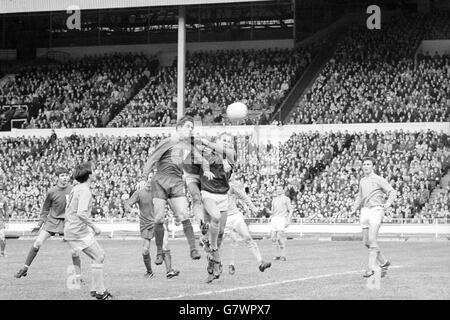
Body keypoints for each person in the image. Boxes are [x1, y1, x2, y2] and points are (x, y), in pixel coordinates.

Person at [137, 116, 212, 261]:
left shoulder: (188, 146)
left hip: (177, 182)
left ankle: (193, 249)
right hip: (160, 181)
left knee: (184, 214)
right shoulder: (167, 142)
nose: (191, 130)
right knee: (158, 218)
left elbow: (202, 160)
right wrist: (143, 177)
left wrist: (207, 169)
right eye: (188, 127)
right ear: (179, 128)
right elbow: (151, 160)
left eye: (192, 128)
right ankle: (159, 252)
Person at [15, 167, 82, 279]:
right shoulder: (51, 191)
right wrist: (39, 224)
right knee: (37, 243)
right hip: (52, 221)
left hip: (67, 223)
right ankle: (25, 268)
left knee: (75, 250)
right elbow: (45, 209)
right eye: (62, 175)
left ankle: (79, 276)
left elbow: (77, 206)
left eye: (66, 175)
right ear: (57, 177)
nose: (65, 177)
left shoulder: (73, 189)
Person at [63, 162, 113, 300]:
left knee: (98, 256)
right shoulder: (84, 190)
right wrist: (94, 226)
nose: (96, 172)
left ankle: (95, 289)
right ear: (89, 175)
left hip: (73, 229)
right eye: (94, 171)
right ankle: (101, 292)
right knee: (99, 256)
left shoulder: (76, 188)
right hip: (78, 231)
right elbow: (81, 213)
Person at [125, 174, 180, 279]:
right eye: (150, 178)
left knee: (165, 245)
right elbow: (127, 204)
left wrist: (177, 216)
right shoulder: (139, 193)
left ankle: (169, 271)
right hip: (146, 225)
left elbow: (171, 204)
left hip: (158, 224)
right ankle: (149, 272)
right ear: (147, 179)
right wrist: (131, 210)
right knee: (145, 250)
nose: (151, 180)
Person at [198, 132, 236, 283]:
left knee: (220, 234)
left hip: (223, 197)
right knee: (215, 219)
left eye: (229, 141)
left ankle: (211, 261)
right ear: (218, 141)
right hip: (208, 194)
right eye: (224, 140)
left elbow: (225, 152)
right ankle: (214, 256)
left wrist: (207, 142)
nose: (226, 143)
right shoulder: (207, 154)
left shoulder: (231, 154)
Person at [351, 156, 396, 278]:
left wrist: (387, 204)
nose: (365, 166)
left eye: (368, 164)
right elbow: (360, 197)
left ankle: (371, 269)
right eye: (364, 164)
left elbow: (392, 192)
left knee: (372, 239)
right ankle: (384, 262)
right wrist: (354, 209)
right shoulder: (362, 181)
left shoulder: (379, 179)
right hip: (365, 210)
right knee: (366, 242)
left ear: (373, 166)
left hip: (376, 210)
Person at [225, 173, 272, 274]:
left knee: (247, 238)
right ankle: (228, 264)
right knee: (226, 242)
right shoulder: (214, 185)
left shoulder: (231, 186)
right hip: (223, 219)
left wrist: (252, 207)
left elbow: (243, 196)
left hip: (235, 216)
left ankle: (260, 262)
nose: (231, 175)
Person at [270, 185, 293, 261]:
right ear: (276, 190)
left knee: (279, 238)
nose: (279, 190)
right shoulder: (274, 199)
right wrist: (268, 212)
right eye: (277, 189)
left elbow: (291, 210)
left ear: (283, 190)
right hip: (274, 219)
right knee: (273, 238)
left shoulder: (286, 199)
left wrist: (288, 220)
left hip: (281, 219)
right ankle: (277, 256)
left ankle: (283, 256)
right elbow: (273, 211)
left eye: (280, 189)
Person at [0, 184, 10, 257]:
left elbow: (6, 210)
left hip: (0, 221)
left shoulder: (3, 200)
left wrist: (6, 221)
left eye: (0, 190)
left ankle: (2, 252)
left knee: (2, 237)